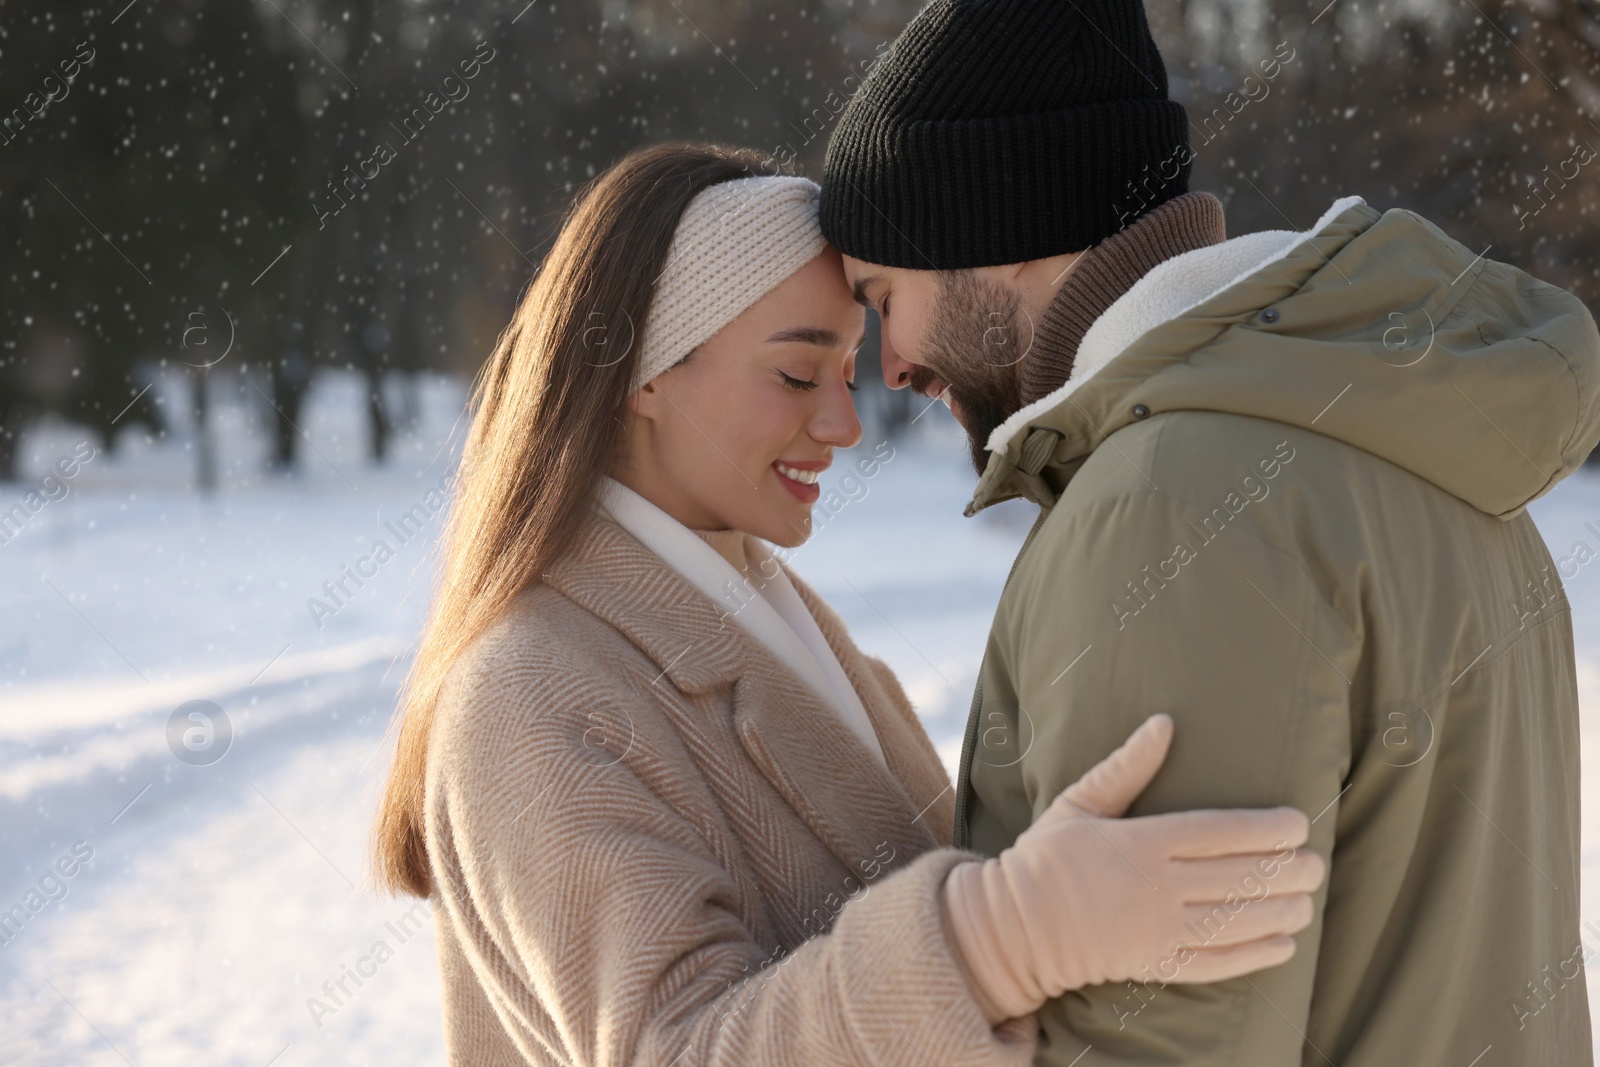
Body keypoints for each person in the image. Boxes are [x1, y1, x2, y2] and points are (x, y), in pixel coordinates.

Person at [369, 141, 1326, 1066]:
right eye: (796, 372)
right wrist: (1001, 940)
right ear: (642, 371)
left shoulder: (768, 613)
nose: (843, 423)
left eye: (847, 371)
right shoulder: (529, 691)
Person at [817, 0, 1600, 1063]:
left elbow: (1155, 1041)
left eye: (882, 292)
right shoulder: (1414, 442)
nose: (892, 363)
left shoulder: (1169, 509)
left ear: (989, 232)